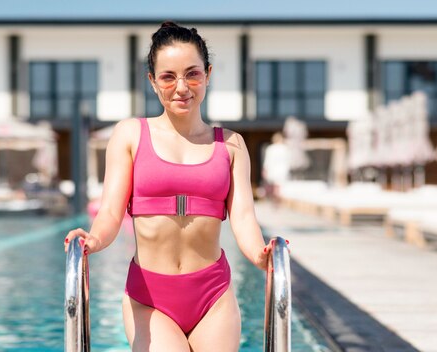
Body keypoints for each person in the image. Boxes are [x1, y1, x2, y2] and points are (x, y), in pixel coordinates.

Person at [64, 21, 273, 351]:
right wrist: (94, 239)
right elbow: (110, 212)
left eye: (192, 73)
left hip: (213, 295)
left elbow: (244, 218)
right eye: (168, 76)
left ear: (208, 74)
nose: (182, 87)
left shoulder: (232, 144)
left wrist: (261, 256)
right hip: (150, 298)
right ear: (152, 81)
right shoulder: (130, 135)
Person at [261, 132, 290, 203]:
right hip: (282, 171)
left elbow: (267, 161)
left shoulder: (270, 148)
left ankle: (274, 201)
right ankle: (278, 201)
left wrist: (264, 170)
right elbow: (288, 161)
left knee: (273, 187)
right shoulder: (285, 148)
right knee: (279, 187)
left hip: (272, 171)